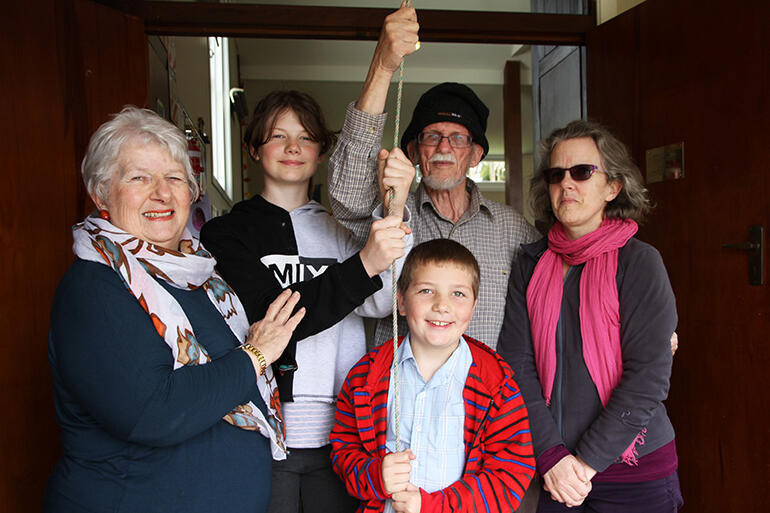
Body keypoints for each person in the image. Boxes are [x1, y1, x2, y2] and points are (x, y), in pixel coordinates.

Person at [44, 106, 305, 513]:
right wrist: (255, 355)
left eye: (173, 178)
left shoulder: (200, 277)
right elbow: (153, 412)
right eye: (139, 178)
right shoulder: (94, 286)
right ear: (100, 195)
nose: (161, 194)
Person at [200, 90, 414, 513]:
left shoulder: (344, 231)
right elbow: (268, 314)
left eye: (305, 138)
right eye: (278, 136)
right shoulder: (225, 233)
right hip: (260, 430)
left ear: (321, 153)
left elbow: (383, 303)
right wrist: (362, 265)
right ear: (253, 149)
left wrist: (397, 206)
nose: (292, 148)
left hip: (343, 435)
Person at [327, 2, 540, 350]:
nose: (444, 146)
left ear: (475, 155)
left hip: (485, 401)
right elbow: (347, 192)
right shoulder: (392, 213)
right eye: (431, 136)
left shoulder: (511, 228)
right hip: (404, 401)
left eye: (458, 138)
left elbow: (561, 282)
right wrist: (383, 65)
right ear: (413, 152)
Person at [498, 120, 683, 512]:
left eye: (582, 172)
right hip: (554, 471)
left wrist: (584, 464)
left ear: (613, 187)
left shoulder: (639, 263)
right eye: (555, 174)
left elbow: (648, 375)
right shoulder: (529, 264)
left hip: (635, 472)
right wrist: (551, 457)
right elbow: (517, 367)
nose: (566, 184)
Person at [330, 239, 536, 513]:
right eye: (427, 291)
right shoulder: (367, 377)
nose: (442, 305)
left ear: (474, 307)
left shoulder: (496, 383)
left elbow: (510, 473)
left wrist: (432, 506)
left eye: (458, 294)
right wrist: (375, 475)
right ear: (401, 302)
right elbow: (344, 449)